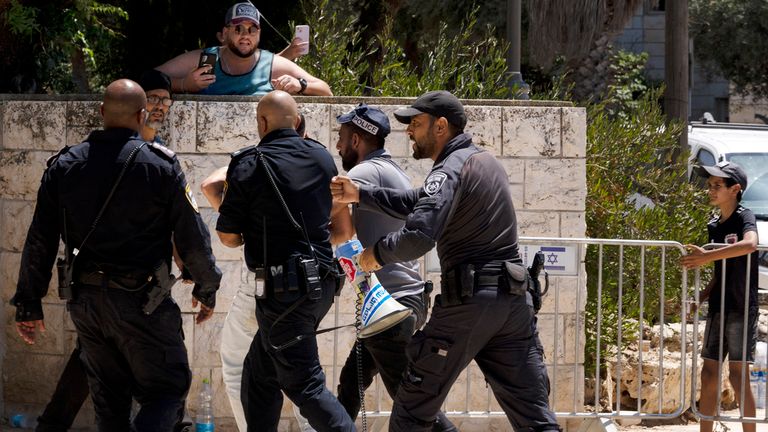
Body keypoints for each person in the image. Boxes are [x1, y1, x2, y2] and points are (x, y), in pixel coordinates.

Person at [331, 90, 561, 432]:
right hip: (513, 305)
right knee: (535, 419)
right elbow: (417, 201)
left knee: (411, 411)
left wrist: (373, 256)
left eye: (416, 123)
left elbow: (419, 235)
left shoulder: (450, 168)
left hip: (470, 304)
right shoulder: (482, 161)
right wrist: (361, 194)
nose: (409, 130)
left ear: (441, 127)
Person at [11, 79, 222, 432]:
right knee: (166, 392)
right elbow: (192, 236)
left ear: (101, 112)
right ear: (142, 116)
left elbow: (40, 240)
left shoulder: (64, 166)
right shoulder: (161, 166)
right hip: (143, 303)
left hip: (87, 304)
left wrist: (29, 303)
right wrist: (206, 287)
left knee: (110, 402)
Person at [215, 90, 354, 432]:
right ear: (296, 121)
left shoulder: (249, 162)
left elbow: (228, 236)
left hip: (283, 291)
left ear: (262, 122)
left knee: (304, 385)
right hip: (321, 283)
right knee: (259, 376)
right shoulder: (322, 159)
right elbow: (336, 223)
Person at [332, 104, 457, 431]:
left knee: (409, 400)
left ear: (357, 140)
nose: (337, 146)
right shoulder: (396, 172)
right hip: (400, 303)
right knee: (352, 380)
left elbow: (335, 218)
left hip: (391, 307)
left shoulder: (362, 174)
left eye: (341, 138)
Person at [201, 113, 320, 432]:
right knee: (302, 376)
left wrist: (255, 154)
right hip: (303, 289)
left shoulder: (256, 166)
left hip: (259, 288)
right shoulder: (315, 167)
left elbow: (210, 183)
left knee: (239, 368)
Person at [681, 161, 758, 432]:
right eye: (709, 185)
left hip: (741, 306)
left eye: (717, 186)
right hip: (718, 308)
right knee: (709, 372)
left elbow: (750, 244)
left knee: (738, 376)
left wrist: (705, 256)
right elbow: (718, 270)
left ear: (735, 189)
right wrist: (702, 295)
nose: (711, 190)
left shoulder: (744, 216)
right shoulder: (714, 225)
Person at [156, 2, 331, 96]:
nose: (245, 35)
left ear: (259, 33)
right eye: (238, 28)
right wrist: (184, 84)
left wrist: (300, 85)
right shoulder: (204, 59)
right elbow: (149, 78)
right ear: (225, 33)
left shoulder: (273, 65)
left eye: (252, 29)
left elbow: (325, 90)